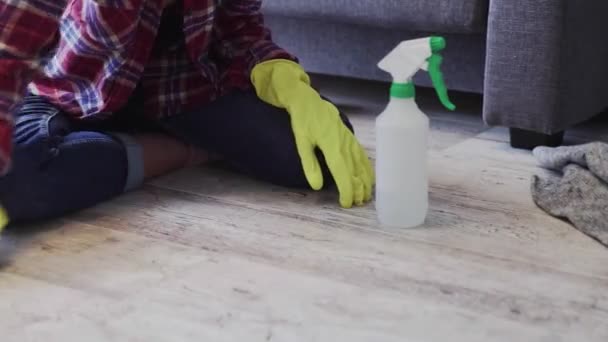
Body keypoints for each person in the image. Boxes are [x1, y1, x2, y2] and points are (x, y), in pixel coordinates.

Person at [0, 0, 373, 225]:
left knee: (320, 158)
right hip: (65, 90)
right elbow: (10, 46)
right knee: (17, 179)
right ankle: (179, 152)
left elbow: (241, 30)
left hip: (176, 88)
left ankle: (123, 151)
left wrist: (287, 82)